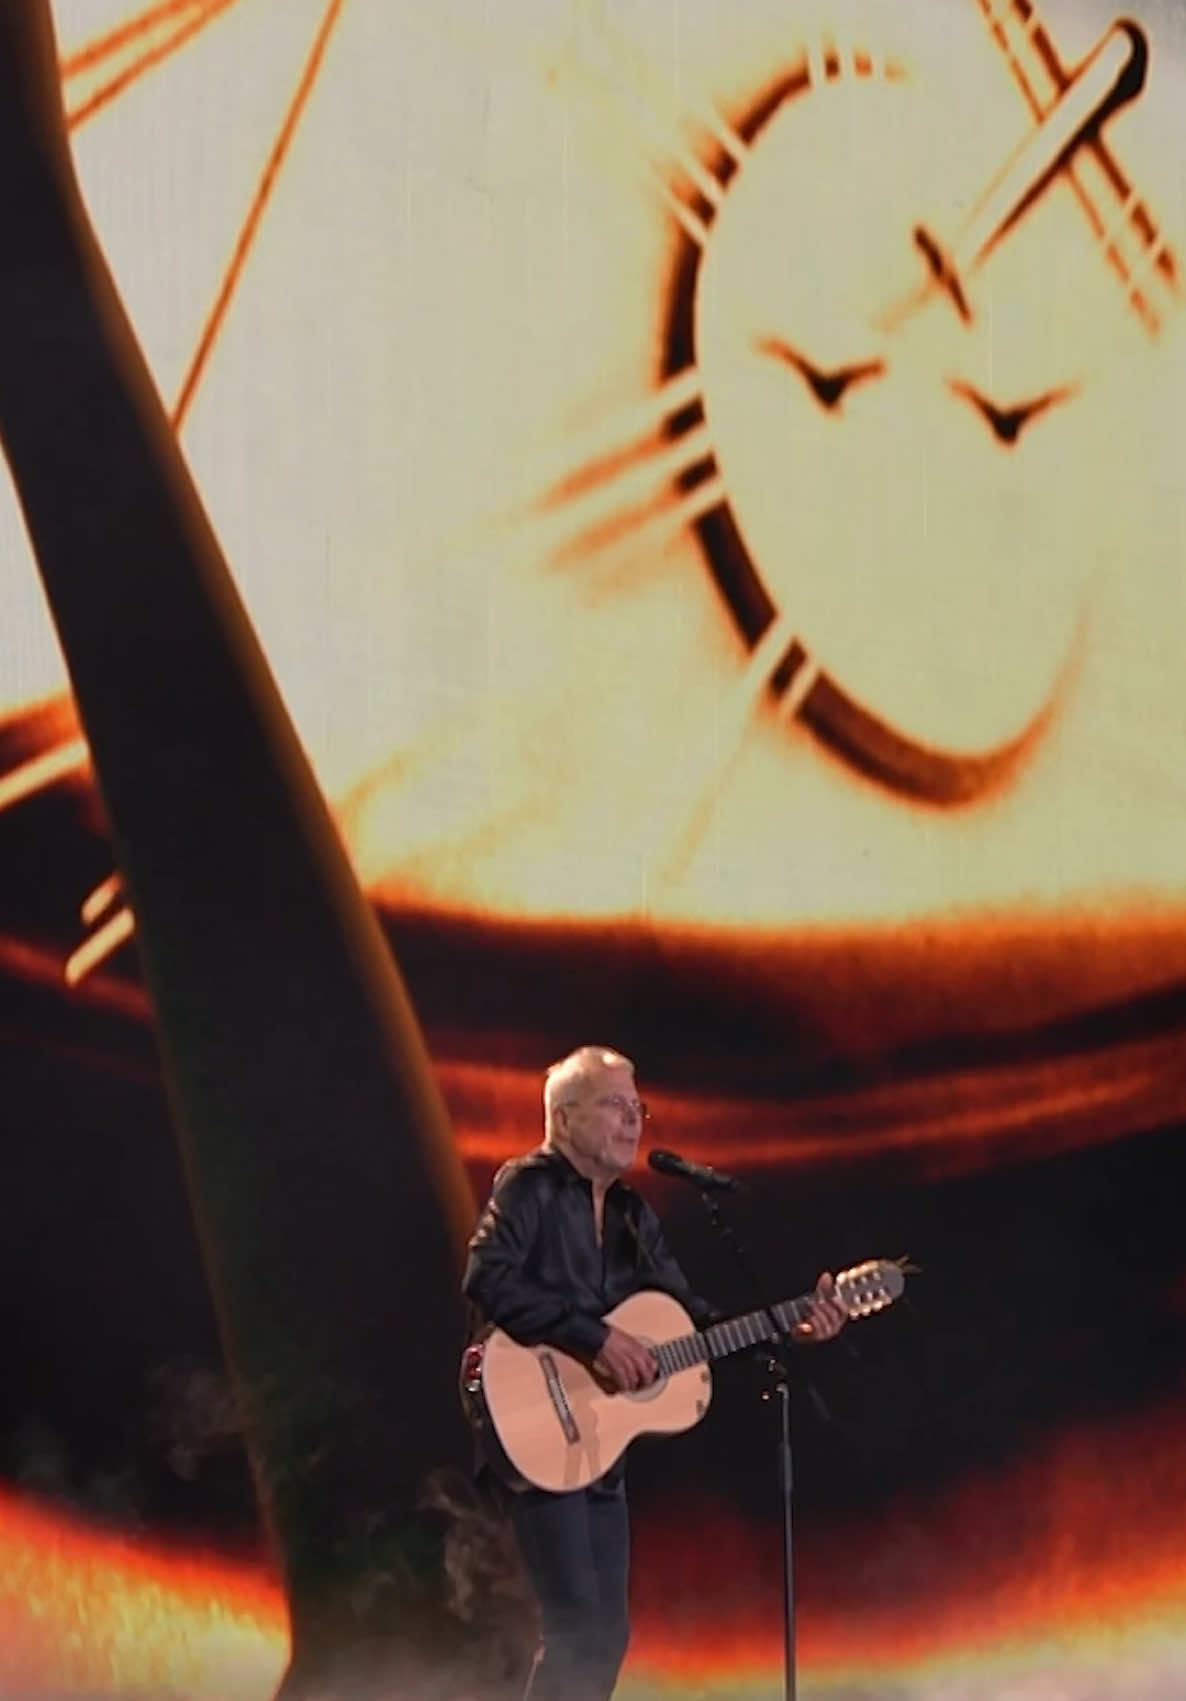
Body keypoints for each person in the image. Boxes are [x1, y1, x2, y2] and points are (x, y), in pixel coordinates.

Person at [461, 1044, 848, 1701]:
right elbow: (486, 1276)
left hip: (598, 1440)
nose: (633, 1119)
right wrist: (594, 1336)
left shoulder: (634, 1216)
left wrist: (790, 1327)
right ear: (564, 1115)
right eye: (615, 1104)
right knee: (578, 1627)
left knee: (606, 1633)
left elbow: (690, 1320)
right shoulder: (527, 1184)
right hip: (532, 1416)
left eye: (637, 1105)